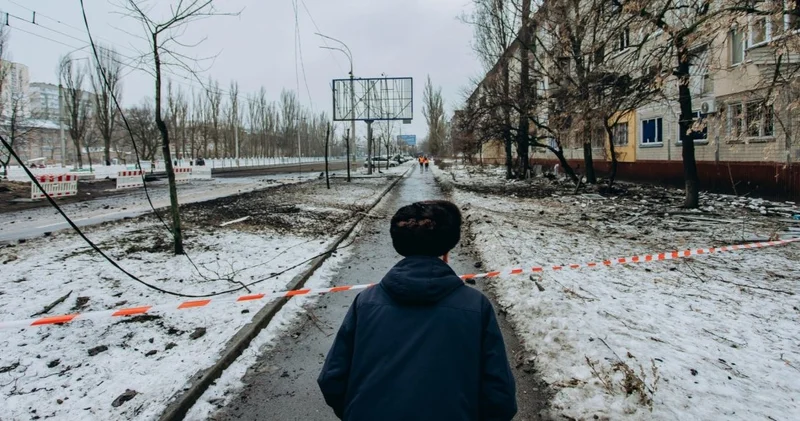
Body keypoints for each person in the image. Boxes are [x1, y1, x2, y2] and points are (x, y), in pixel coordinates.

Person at [318, 200, 517, 421]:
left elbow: (332, 379)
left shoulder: (365, 303)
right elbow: (500, 397)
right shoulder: (476, 307)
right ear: (447, 249)